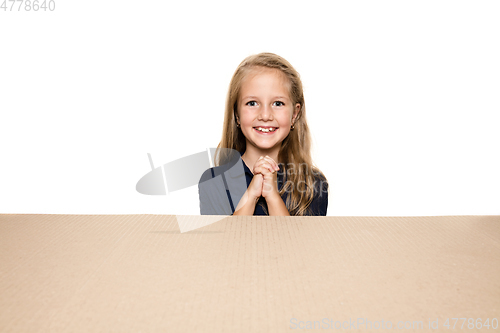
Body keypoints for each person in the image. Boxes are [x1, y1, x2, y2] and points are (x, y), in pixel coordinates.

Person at [198, 52, 329, 216]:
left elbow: (295, 242)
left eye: (278, 103)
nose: (265, 115)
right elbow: (227, 240)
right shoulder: (214, 181)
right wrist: (251, 194)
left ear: (294, 115)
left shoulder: (312, 183)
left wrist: (272, 195)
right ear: (237, 114)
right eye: (252, 103)